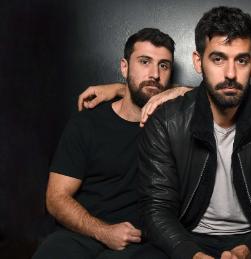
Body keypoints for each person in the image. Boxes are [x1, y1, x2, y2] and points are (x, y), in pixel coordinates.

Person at [135, 6, 251, 259]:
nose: (230, 74)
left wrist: (249, 250)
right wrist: (191, 254)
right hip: (187, 235)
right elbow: (156, 209)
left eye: (242, 60)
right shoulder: (166, 122)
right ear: (197, 61)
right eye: (218, 59)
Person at [32, 28, 175, 259]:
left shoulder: (173, 128)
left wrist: (177, 90)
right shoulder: (87, 123)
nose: (155, 74)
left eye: (164, 65)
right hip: (80, 233)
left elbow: (215, 97)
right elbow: (56, 198)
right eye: (144, 62)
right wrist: (103, 231)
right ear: (124, 67)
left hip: (138, 243)